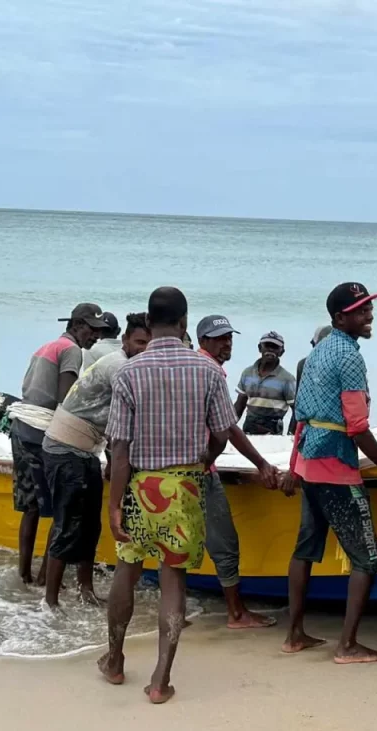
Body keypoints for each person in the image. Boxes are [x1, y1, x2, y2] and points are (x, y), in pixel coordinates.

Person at [98, 287, 278, 704]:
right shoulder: (208, 372)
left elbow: (120, 449)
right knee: (172, 578)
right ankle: (161, 679)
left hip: (140, 485)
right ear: (184, 323)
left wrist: (113, 506)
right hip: (185, 486)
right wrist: (203, 462)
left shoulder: (129, 372)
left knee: (127, 570)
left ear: (149, 319)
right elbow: (223, 431)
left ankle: (115, 659)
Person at [280, 282, 377, 664]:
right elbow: (356, 426)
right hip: (337, 466)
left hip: (309, 464)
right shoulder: (350, 358)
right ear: (341, 317)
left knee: (305, 549)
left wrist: (293, 467)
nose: (369, 315)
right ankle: (348, 645)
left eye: (369, 308)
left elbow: (301, 418)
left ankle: (294, 635)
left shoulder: (319, 351)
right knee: (367, 558)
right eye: (361, 310)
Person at [40, 313, 152, 608]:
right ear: (125, 340)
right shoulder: (120, 366)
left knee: (90, 526)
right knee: (68, 526)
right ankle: (50, 602)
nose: (144, 348)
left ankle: (85, 590)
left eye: (149, 344)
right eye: (140, 342)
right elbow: (130, 422)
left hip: (87, 449)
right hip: (65, 448)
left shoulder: (130, 365)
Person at [10, 303, 109, 585]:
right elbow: (66, 398)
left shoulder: (46, 346)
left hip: (22, 427)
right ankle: (45, 579)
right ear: (77, 325)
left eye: (100, 332)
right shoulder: (71, 350)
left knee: (31, 508)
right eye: (92, 330)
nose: (96, 337)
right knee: (60, 507)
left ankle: (24, 575)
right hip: (43, 432)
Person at [195, 314, 277, 630]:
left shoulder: (192, 365)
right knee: (225, 544)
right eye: (219, 338)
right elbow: (228, 428)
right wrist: (262, 464)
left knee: (177, 544)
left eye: (229, 337)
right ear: (203, 341)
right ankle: (236, 613)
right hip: (202, 472)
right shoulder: (212, 371)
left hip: (175, 471)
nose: (227, 343)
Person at [234, 332, 297, 436]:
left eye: (275, 347)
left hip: (273, 431)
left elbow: (296, 411)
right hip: (249, 428)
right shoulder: (247, 373)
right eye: (267, 346)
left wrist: (291, 435)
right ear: (260, 348)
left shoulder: (287, 379)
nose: (270, 350)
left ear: (281, 352)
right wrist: (227, 428)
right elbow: (239, 405)